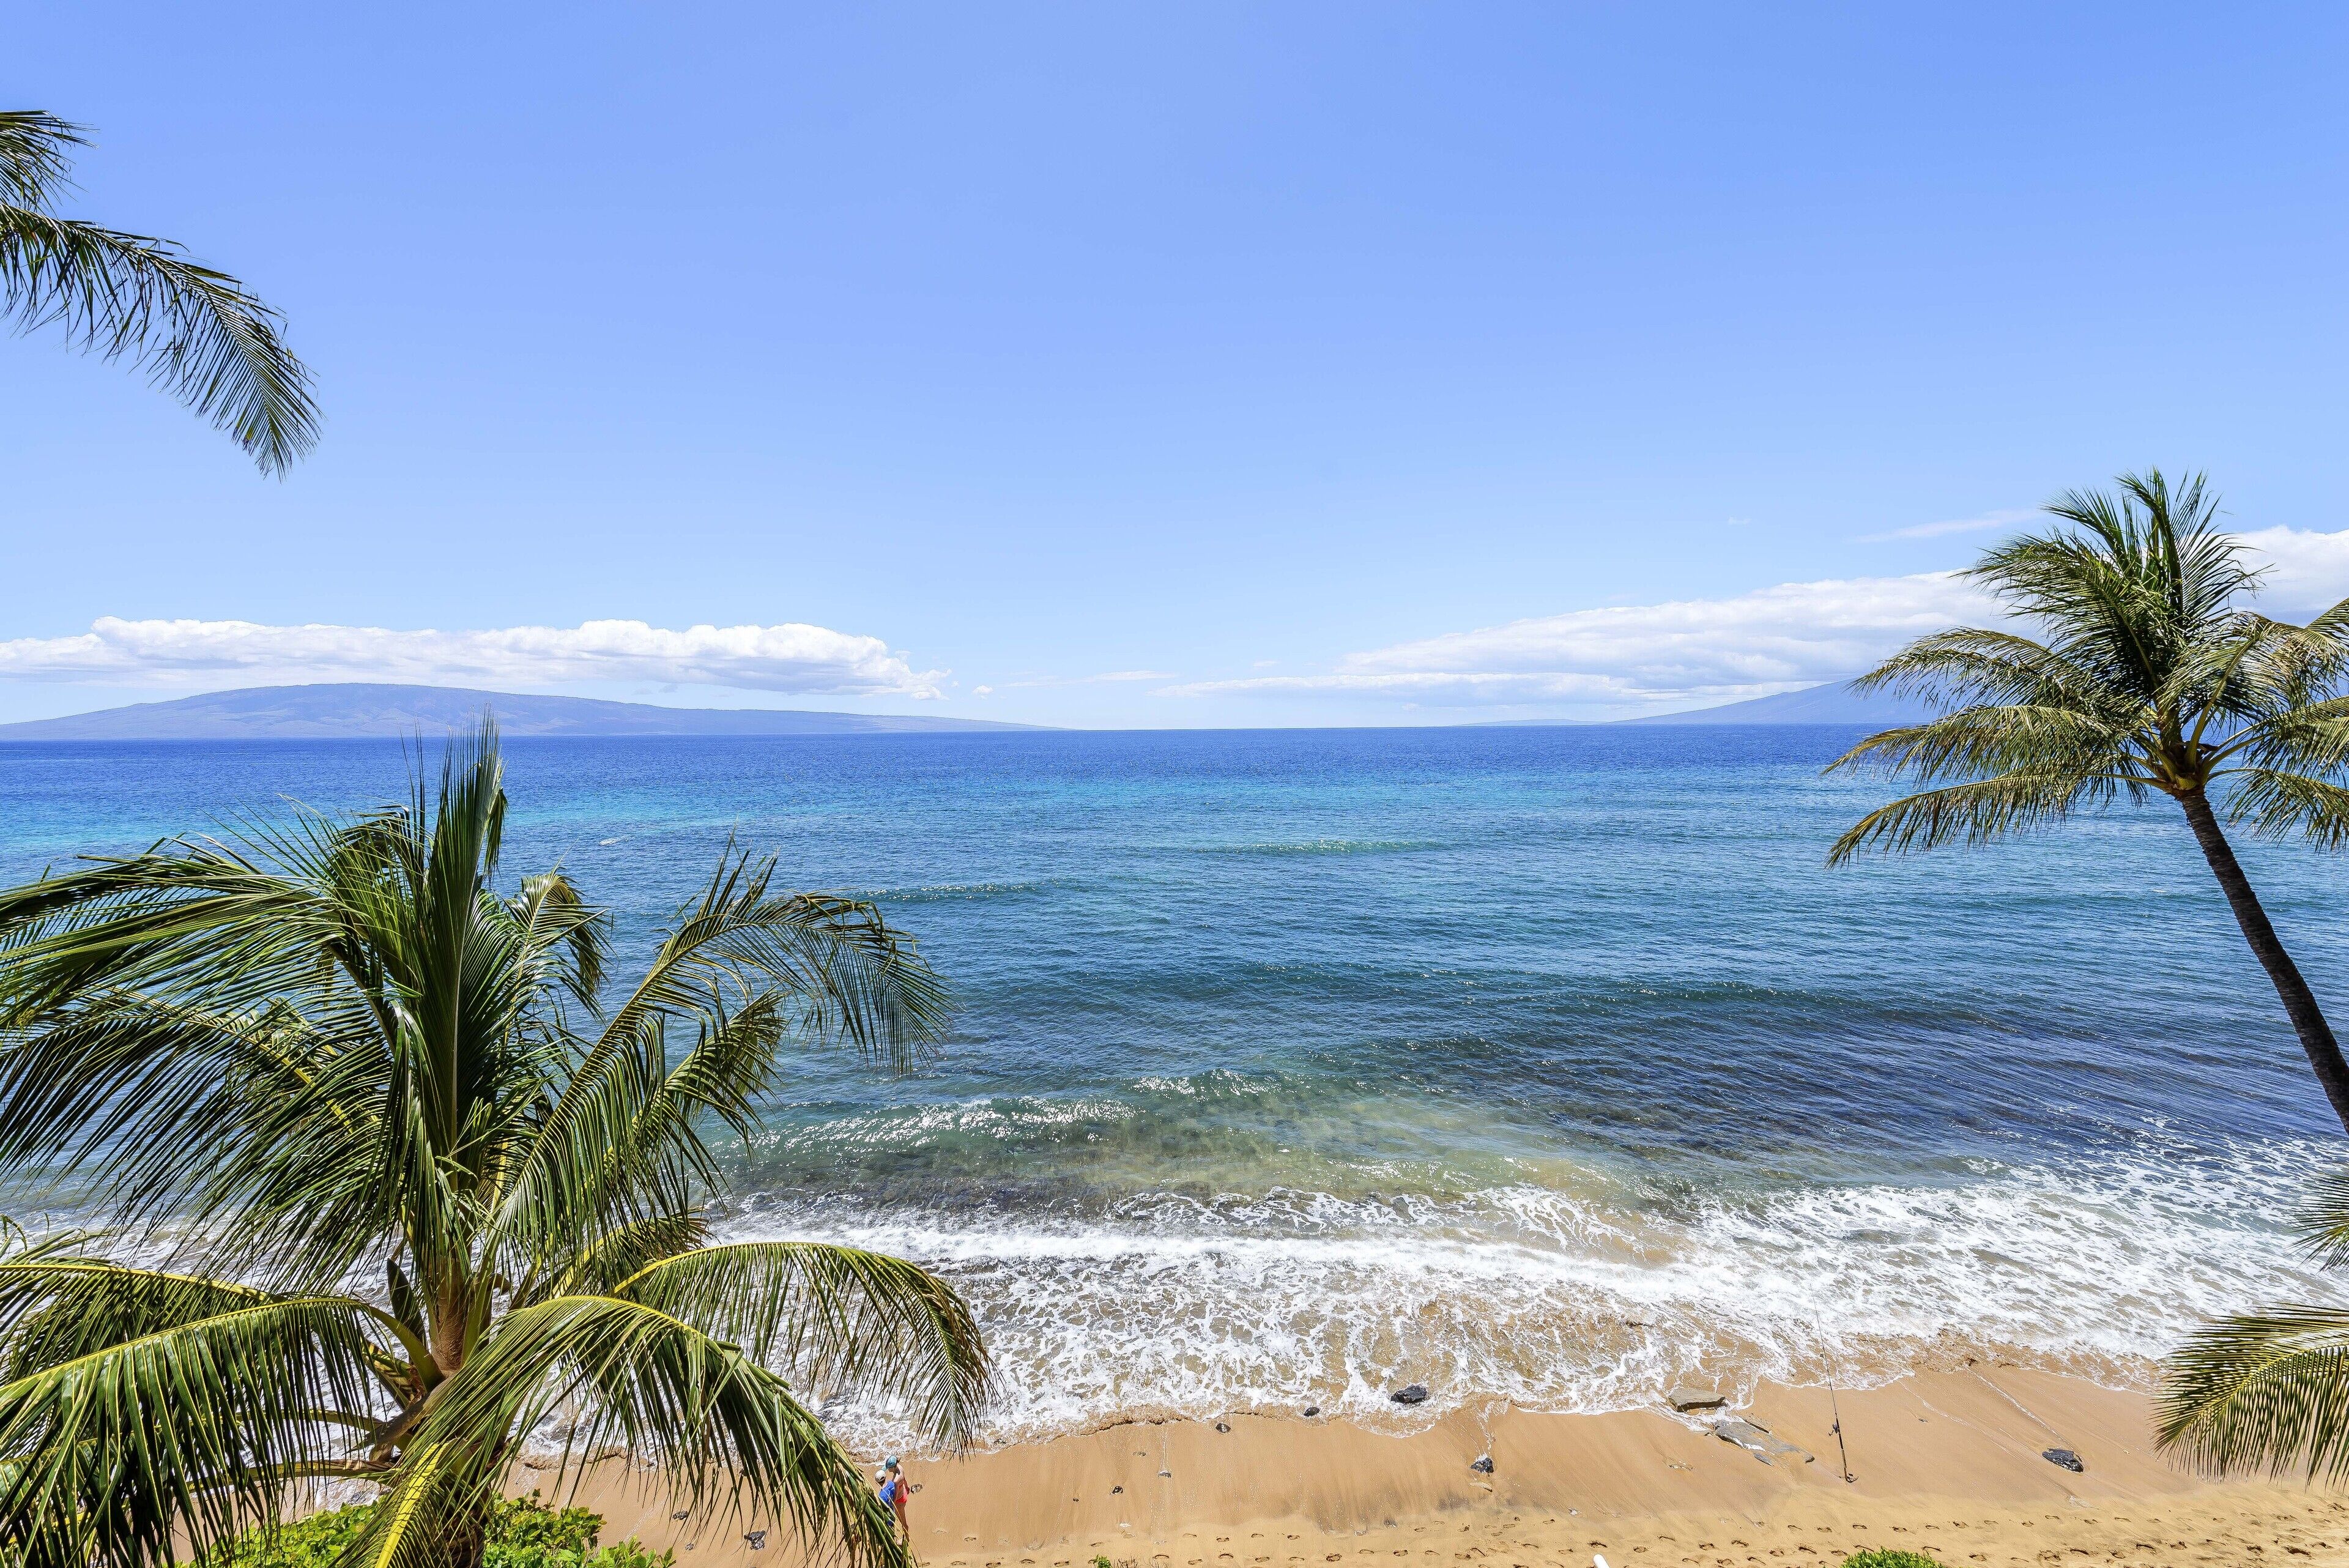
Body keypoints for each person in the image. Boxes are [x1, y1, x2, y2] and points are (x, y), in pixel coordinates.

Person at [877, 1456, 909, 1540]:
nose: (888, 1470)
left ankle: (906, 1539)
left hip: (900, 1500)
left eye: (889, 1468)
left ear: (893, 1468)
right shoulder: (900, 1467)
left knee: (903, 1522)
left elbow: (895, 1496)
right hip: (904, 1492)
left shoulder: (896, 1480)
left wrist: (891, 1506)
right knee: (903, 1521)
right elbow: (904, 1479)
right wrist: (907, 1487)